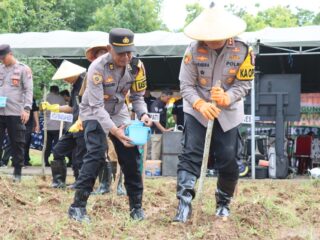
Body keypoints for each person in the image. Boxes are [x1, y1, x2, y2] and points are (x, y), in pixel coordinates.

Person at [173, 4, 254, 223]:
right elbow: (185, 86)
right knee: (190, 154)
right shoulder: (192, 50)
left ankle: (223, 203)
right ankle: (184, 205)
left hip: (229, 111)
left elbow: (244, 83)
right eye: (208, 37)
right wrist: (199, 104)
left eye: (217, 36)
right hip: (197, 109)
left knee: (228, 158)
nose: (212, 41)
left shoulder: (244, 50)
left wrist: (228, 97)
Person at [68, 28, 152, 223]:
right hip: (93, 112)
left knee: (131, 156)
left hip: (119, 112)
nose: (126, 56)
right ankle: (77, 207)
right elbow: (97, 106)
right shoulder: (97, 67)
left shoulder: (137, 66)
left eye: (129, 51)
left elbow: (138, 97)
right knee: (96, 154)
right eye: (121, 52)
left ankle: (136, 208)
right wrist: (115, 131)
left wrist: (144, 114)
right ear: (109, 48)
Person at [41, 60, 89, 188]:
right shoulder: (74, 87)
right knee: (58, 150)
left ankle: (80, 183)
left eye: (66, 77)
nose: (65, 80)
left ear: (73, 74)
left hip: (84, 125)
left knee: (79, 156)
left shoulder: (86, 84)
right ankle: (59, 182)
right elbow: (72, 107)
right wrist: (54, 107)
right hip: (74, 126)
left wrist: (82, 120)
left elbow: (90, 107)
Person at [0, 44, 33, 181]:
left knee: (17, 143)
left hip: (15, 112)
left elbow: (28, 90)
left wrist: (26, 109)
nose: (2, 60)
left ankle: (17, 173)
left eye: (3, 57)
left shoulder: (23, 69)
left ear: (10, 54)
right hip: (0, 112)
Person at [43, 85, 66, 166]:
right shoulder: (61, 99)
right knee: (58, 144)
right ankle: (56, 160)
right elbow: (65, 110)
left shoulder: (45, 98)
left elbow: (41, 109)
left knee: (47, 145)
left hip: (47, 125)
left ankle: (45, 160)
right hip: (58, 126)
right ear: (57, 91)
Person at [149, 89, 173, 160]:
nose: (168, 100)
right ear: (163, 95)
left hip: (160, 131)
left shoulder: (164, 104)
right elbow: (155, 121)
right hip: (155, 131)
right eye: (168, 98)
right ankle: (153, 169)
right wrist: (164, 130)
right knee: (155, 152)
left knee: (159, 151)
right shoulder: (156, 104)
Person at [24, 98, 40, 166]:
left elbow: (35, 111)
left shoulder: (31, 98)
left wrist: (37, 124)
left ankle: (25, 160)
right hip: (16, 121)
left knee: (26, 142)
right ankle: (18, 160)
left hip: (28, 123)